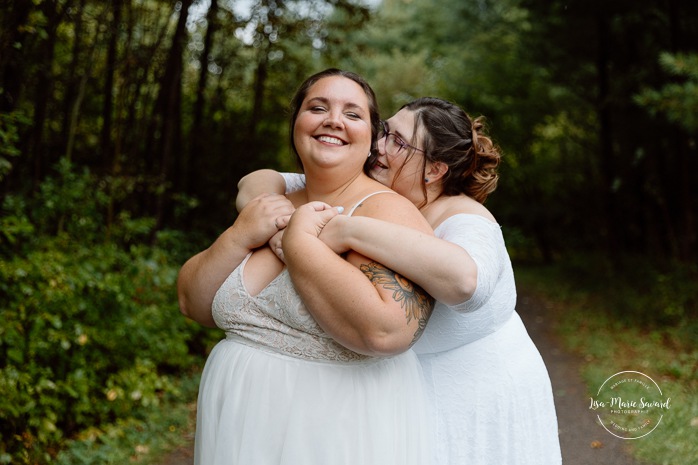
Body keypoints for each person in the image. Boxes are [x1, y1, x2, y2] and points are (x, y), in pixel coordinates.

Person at [238, 97, 563, 464]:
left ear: (434, 170)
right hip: (399, 395)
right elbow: (260, 181)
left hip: (480, 399)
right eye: (383, 131)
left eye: (397, 140)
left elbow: (465, 284)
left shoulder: (464, 217)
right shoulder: (366, 192)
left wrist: (347, 230)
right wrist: (272, 217)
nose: (378, 144)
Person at [176, 69, 436, 465]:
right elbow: (190, 302)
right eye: (318, 107)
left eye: (353, 114)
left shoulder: (382, 210)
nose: (333, 120)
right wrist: (239, 235)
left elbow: (389, 331)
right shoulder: (271, 202)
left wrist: (298, 246)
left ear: (371, 139)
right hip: (236, 428)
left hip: (330, 431)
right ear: (296, 124)